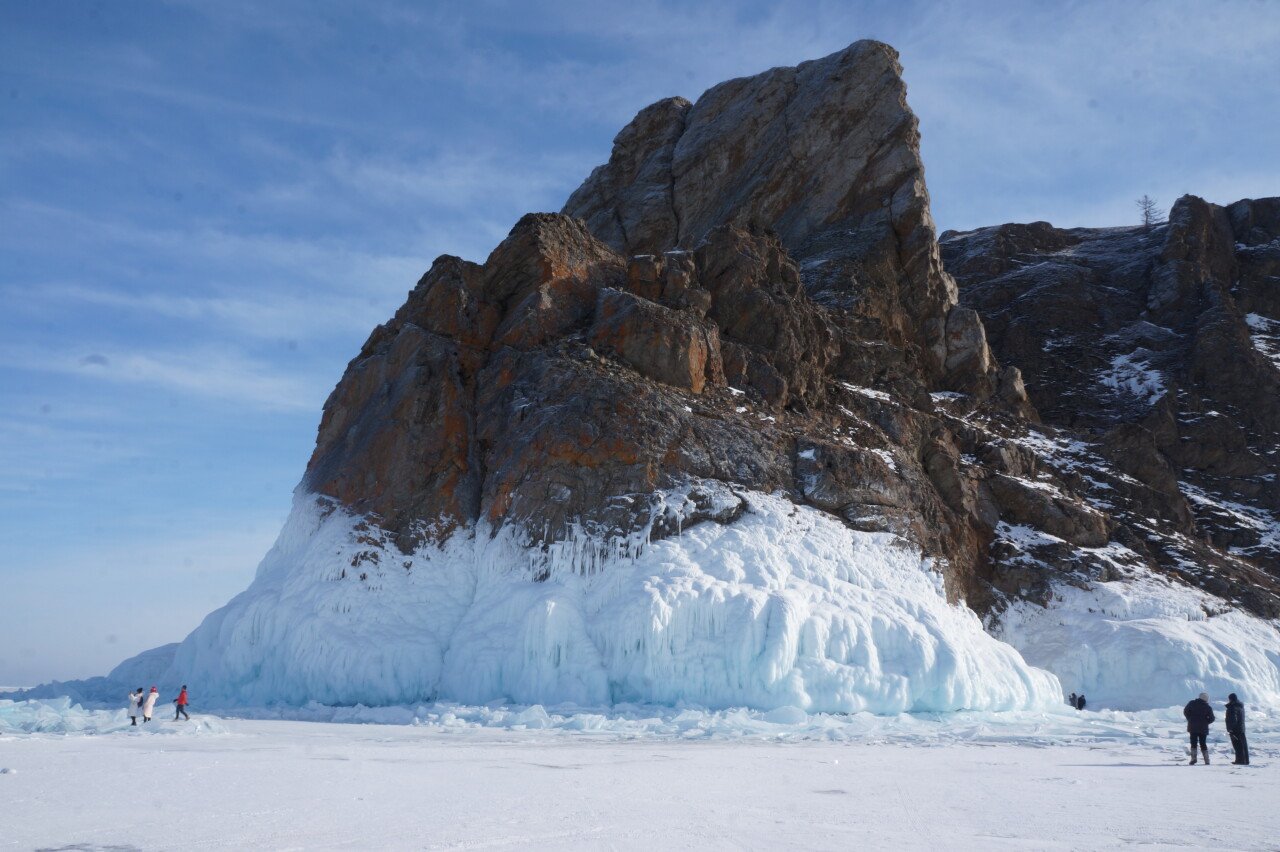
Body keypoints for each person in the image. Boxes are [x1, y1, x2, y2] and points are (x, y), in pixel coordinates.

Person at [1183, 692, 1215, 764]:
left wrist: (1190, 719)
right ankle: (1207, 760)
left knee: (1193, 743)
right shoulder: (1208, 707)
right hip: (1203, 728)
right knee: (1203, 743)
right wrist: (1206, 722)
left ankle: (1193, 759)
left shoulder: (1192, 703)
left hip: (1193, 726)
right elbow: (1212, 718)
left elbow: (1185, 711)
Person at [1225, 693, 1249, 765]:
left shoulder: (1233, 707)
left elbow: (1233, 719)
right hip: (1241, 728)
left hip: (1235, 729)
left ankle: (1240, 760)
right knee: (1242, 745)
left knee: (1237, 745)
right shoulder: (1240, 706)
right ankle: (1245, 760)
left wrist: (1230, 729)